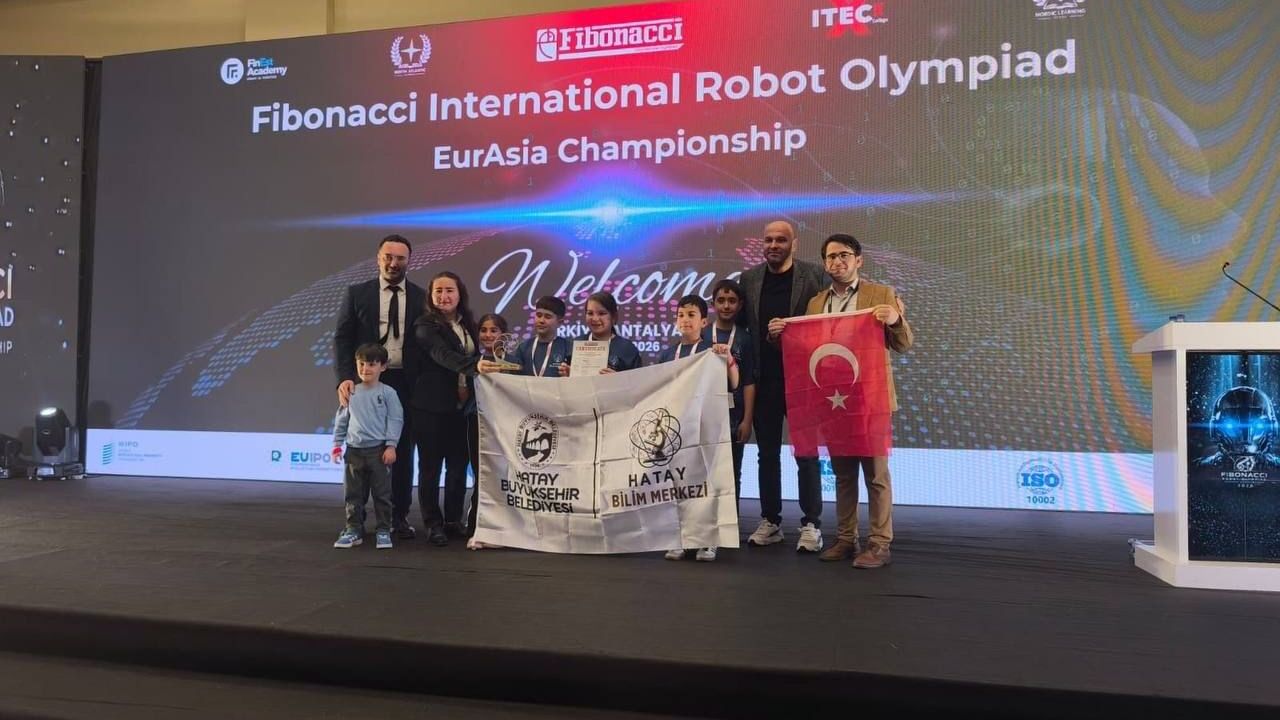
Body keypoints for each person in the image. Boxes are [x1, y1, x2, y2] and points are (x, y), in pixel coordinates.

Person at [801, 233, 913, 569]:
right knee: (843, 474)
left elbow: (904, 344)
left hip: (871, 399)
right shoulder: (816, 303)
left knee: (876, 475)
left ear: (858, 260)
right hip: (834, 401)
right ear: (824, 263)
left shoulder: (881, 294)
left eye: (844, 255)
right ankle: (846, 538)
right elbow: (807, 349)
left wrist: (895, 320)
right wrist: (781, 334)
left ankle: (879, 544)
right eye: (831, 256)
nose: (837, 261)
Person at [740, 220, 828, 552]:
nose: (774, 245)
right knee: (767, 455)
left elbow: (830, 319)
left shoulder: (814, 275)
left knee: (806, 454)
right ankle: (770, 520)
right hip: (764, 380)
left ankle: (811, 523)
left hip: (803, 380)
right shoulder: (749, 279)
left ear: (794, 244)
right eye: (769, 240)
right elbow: (741, 329)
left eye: (781, 240)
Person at [334, 234, 424, 540]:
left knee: (401, 450)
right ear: (378, 258)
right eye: (388, 256)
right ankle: (355, 522)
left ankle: (398, 518)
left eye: (400, 258)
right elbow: (342, 339)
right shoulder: (357, 293)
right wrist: (345, 377)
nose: (393, 263)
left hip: (405, 383)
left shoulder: (421, 297)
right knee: (360, 452)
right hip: (365, 382)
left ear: (409, 261)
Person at [659, 295, 739, 562]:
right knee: (680, 483)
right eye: (681, 315)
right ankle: (682, 538)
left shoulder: (712, 350)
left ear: (704, 321)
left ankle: (709, 540)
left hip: (707, 426)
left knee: (709, 482)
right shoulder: (668, 354)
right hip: (678, 428)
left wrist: (728, 359)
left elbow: (735, 382)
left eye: (691, 315)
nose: (685, 320)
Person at [411, 271, 482, 546]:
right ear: (430, 296)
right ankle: (433, 524)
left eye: (449, 290)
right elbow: (443, 355)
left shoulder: (468, 323)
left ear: (460, 293)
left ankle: (453, 519)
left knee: (457, 467)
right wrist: (477, 366)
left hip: (461, 408)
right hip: (430, 407)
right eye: (438, 291)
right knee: (430, 468)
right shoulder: (425, 325)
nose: (444, 296)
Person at [331, 343, 404, 550]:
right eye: (361, 364)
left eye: (371, 364)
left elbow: (395, 419)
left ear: (383, 367)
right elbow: (342, 421)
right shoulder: (351, 391)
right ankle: (353, 529)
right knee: (353, 495)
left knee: (382, 495)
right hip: (353, 452)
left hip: (378, 452)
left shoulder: (388, 393)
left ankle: (383, 529)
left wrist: (391, 445)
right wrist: (337, 445)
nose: (365, 369)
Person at [704, 278, 756, 511]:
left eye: (732, 301)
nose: (726, 305)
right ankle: (704, 520)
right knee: (704, 471)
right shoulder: (702, 335)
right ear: (713, 304)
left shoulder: (745, 339)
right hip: (704, 416)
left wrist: (747, 420)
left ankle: (730, 521)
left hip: (734, 417)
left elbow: (749, 382)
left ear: (740, 305)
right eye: (721, 300)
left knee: (733, 471)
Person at [558, 291, 643, 375]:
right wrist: (567, 375)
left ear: (614, 317)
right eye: (590, 313)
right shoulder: (575, 344)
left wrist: (617, 379)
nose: (595, 319)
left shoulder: (627, 349)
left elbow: (638, 381)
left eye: (602, 313)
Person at [507, 296, 571, 377]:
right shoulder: (523, 348)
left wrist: (570, 375)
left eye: (547, 317)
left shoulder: (568, 348)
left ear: (560, 322)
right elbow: (514, 377)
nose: (541, 321)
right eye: (539, 315)